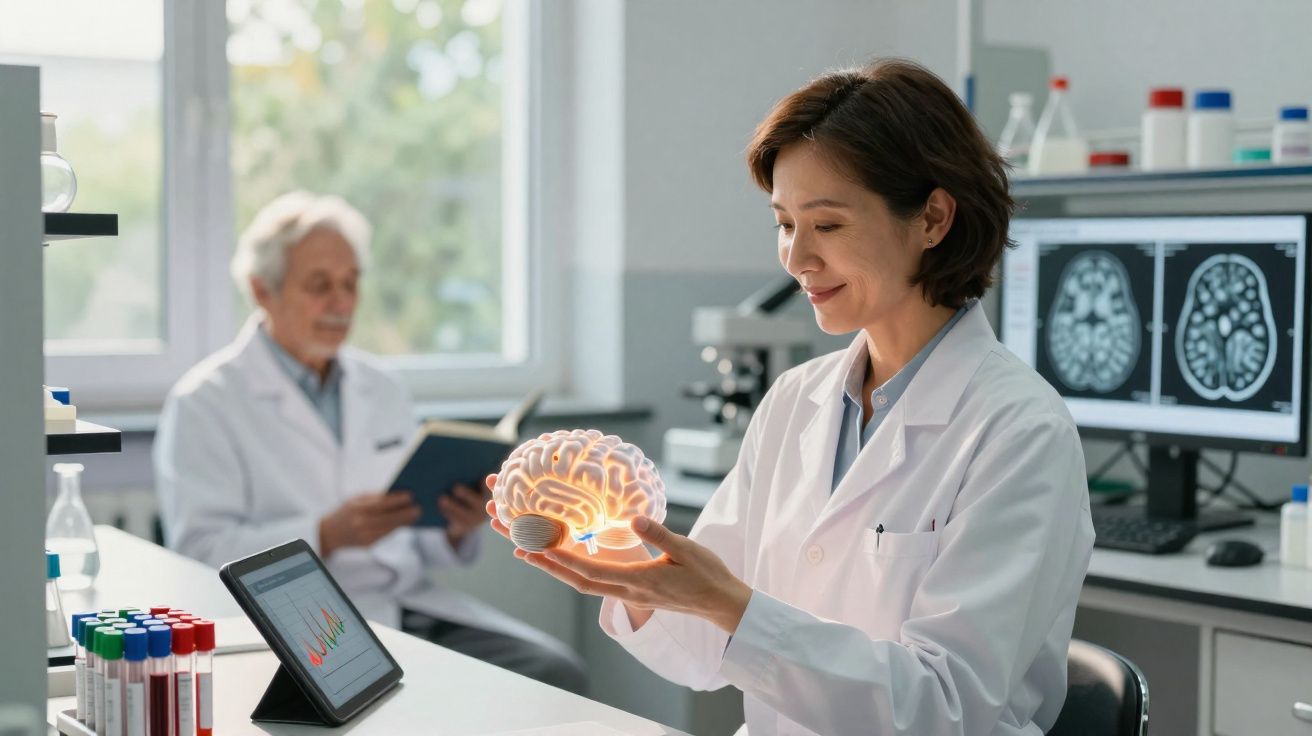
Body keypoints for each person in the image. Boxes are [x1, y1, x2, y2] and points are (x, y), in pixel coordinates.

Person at [485, 59, 1094, 734]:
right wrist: (621, 565)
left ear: (933, 218)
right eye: (783, 224)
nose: (796, 258)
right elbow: (704, 652)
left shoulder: (1018, 430)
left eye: (827, 225)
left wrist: (735, 608)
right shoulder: (796, 401)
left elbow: (946, 707)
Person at [155, 191, 586, 694]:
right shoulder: (204, 403)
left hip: (405, 605)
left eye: (351, 284)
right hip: (301, 627)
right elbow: (197, 554)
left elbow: (415, 537)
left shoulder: (380, 387)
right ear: (261, 291)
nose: (341, 304)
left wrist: (453, 525)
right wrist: (325, 534)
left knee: (554, 674)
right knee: (389, 705)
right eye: (320, 286)